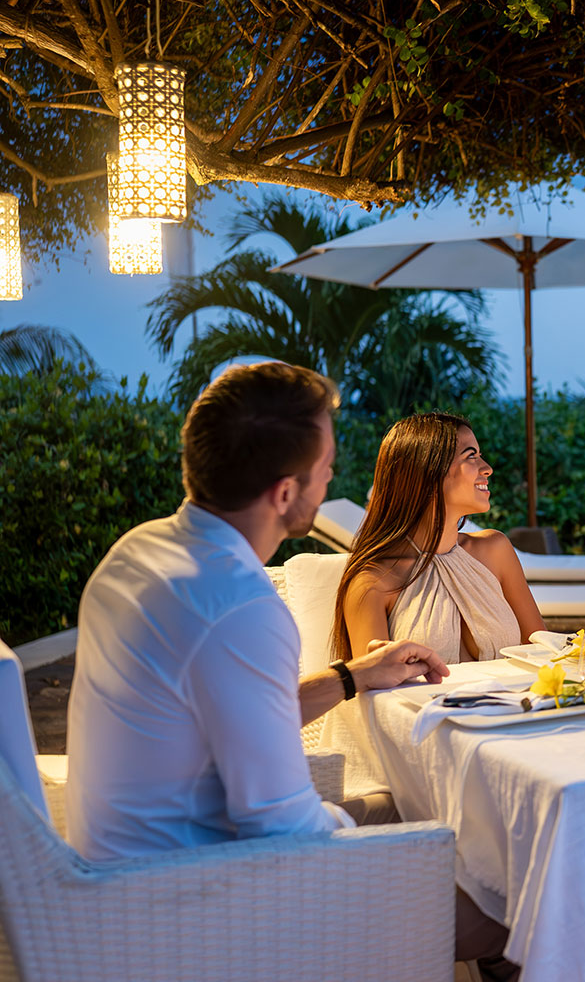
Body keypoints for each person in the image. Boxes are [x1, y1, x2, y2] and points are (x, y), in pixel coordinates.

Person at [64, 362, 509, 968]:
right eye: (325, 466)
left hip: (125, 867)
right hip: (202, 902)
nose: (331, 478)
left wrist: (351, 676)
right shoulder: (240, 607)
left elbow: (229, 717)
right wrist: (403, 849)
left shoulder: (139, 552)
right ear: (283, 493)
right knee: (526, 897)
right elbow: (284, 827)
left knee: (418, 818)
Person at [332, 412, 545, 664]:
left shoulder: (496, 551)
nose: (487, 468)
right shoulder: (374, 582)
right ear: (428, 471)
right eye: (471, 456)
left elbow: (542, 650)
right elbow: (371, 684)